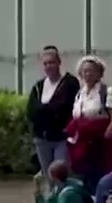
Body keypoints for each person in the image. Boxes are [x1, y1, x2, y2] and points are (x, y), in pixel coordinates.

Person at [65, 55, 112, 195]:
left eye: (91, 71)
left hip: (101, 143)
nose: (87, 74)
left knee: (104, 173)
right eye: (84, 71)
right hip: (84, 143)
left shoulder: (107, 92)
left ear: (99, 73)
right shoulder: (80, 94)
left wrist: (106, 139)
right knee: (85, 176)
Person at [25, 45, 79, 176]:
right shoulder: (38, 86)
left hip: (61, 138)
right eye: (45, 63)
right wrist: (46, 111)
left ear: (59, 62)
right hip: (42, 139)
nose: (48, 66)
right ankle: (52, 196)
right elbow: (31, 111)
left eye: (51, 62)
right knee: (47, 175)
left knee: (61, 172)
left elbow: (64, 108)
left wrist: (44, 111)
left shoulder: (70, 83)